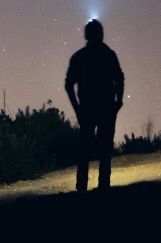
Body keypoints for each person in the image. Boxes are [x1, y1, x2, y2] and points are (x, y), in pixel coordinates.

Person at [65, 18, 124, 193]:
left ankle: (83, 188)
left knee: (86, 149)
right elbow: (119, 79)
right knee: (103, 149)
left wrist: (77, 109)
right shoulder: (108, 54)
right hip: (103, 109)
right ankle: (102, 187)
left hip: (89, 110)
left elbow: (69, 84)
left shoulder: (80, 57)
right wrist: (118, 102)